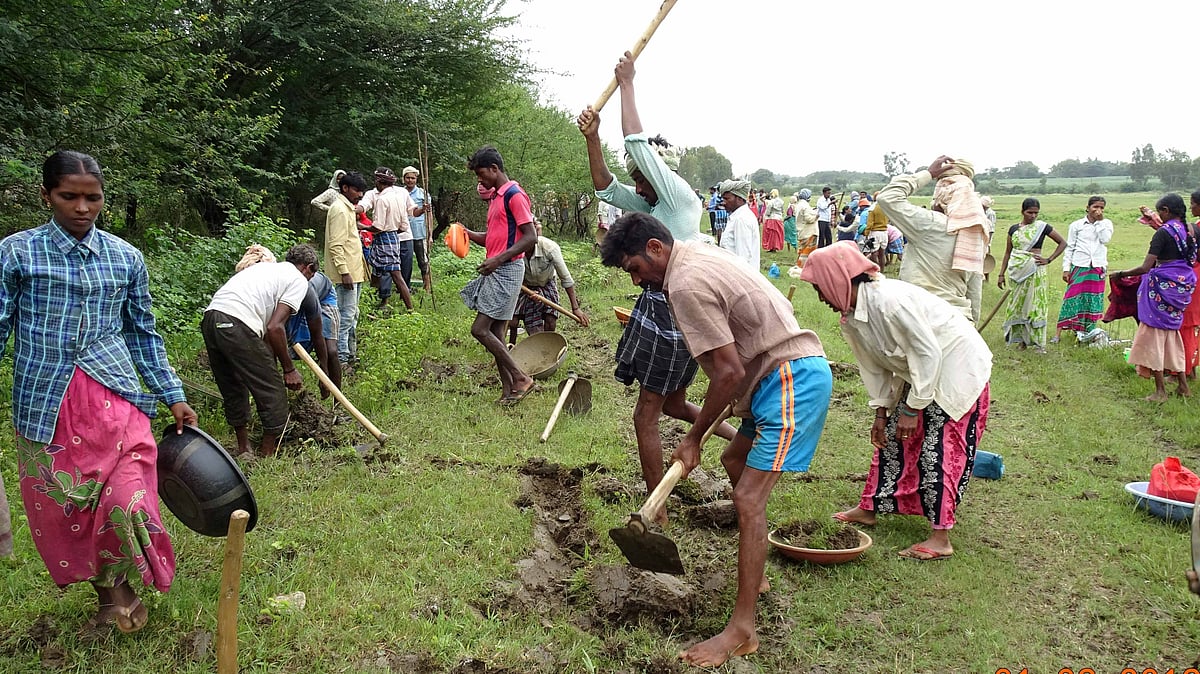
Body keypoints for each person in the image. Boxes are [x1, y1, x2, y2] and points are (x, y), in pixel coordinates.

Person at [600, 212, 832, 668]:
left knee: (748, 498)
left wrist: (692, 437)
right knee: (734, 462)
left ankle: (742, 631)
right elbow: (733, 369)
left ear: (654, 248)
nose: (635, 280)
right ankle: (756, 565)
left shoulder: (684, 284)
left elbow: (727, 372)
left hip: (791, 379)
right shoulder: (694, 254)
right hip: (771, 377)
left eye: (633, 269)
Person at [0, 150, 197, 632]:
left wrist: (171, 392)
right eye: (69, 196)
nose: (82, 208)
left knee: (126, 499)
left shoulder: (125, 257)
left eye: (93, 198)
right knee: (72, 505)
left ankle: (129, 587)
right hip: (46, 403)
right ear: (47, 195)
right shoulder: (17, 253)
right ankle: (115, 597)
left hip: (115, 399)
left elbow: (143, 333)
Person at [577, 51, 735, 498]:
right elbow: (606, 186)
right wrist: (593, 138)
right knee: (671, 404)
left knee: (645, 414)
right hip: (661, 306)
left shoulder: (677, 197)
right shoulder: (650, 208)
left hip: (679, 308)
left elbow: (636, 143)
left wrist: (627, 83)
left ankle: (655, 508)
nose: (638, 186)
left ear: (656, 175)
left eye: (642, 179)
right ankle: (744, 436)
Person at [799, 241, 991, 562]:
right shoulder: (852, 316)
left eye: (821, 288)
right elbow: (873, 366)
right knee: (891, 439)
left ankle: (940, 536)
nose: (821, 298)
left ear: (838, 279)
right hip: (919, 370)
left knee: (938, 447)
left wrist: (913, 408)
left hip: (956, 367)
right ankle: (871, 507)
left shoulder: (890, 303)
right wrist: (881, 411)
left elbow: (929, 353)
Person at [203, 245, 320, 456]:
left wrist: (270, 363)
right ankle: (267, 453)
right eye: (312, 276)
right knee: (273, 389)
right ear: (308, 268)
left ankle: (243, 448)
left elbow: (266, 336)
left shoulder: (265, 270)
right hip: (237, 322)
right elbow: (275, 327)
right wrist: (288, 369)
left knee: (232, 384)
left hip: (212, 318)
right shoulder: (298, 279)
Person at [462, 146, 538, 405]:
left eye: (482, 175)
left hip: (507, 270)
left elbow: (530, 237)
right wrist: (466, 234)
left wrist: (498, 260)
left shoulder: (514, 195)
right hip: (498, 268)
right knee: (496, 331)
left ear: (495, 169)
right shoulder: (496, 197)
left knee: (480, 329)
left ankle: (520, 378)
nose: (480, 181)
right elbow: (495, 238)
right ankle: (509, 391)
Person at [1111, 194, 1198, 401]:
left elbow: (1145, 267)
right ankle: (1183, 386)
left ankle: (1160, 391)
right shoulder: (1190, 230)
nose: (1159, 215)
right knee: (1172, 336)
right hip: (1181, 289)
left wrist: (1121, 274)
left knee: (1154, 338)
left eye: (1160, 211)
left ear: (1166, 210)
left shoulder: (1163, 233)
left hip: (1160, 290)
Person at [876, 155, 983, 321]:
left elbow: (887, 197)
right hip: (959, 322)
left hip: (922, 317)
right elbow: (974, 292)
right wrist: (972, 328)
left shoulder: (931, 224)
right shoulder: (975, 233)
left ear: (941, 194)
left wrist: (928, 173)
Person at [997, 198, 1067, 352]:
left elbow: (1062, 242)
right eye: (1030, 212)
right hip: (1017, 270)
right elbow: (1008, 252)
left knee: (1034, 305)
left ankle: (1037, 343)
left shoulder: (1042, 227)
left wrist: (1048, 259)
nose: (1033, 216)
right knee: (1019, 304)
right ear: (1022, 211)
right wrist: (1001, 274)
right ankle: (1021, 341)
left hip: (1035, 271)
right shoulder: (1013, 229)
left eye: (1036, 213)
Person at [509, 219, 591, 342]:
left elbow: (566, 279)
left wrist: (575, 308)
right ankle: (513, 345)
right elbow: (511, 276)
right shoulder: (512, 249)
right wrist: (528, 292)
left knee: (550, 319)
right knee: (517, 321)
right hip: (524, 286)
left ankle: (548, 346)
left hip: (547, 283)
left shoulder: (550, 248)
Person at [324, 171, 371, 369]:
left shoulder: (348, 208)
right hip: (346, 274)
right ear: (344, 188)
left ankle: (350, 354)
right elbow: (336, 245)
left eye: (362, 191)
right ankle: (341, 359)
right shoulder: (339, 210)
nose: (360, 195)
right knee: (344, 316)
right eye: (356, 190)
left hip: (354, 270)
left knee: (352, 315)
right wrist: (344, 272)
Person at [1054, 196, 1113, 343]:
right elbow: (1070, 247)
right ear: (1087, 207)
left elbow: (1105, 239)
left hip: (1097, 266)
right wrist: (1066, 269)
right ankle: (1058, 334)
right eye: (1095, 207)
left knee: (1092, 300)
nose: (1098, 210)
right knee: (1071, 297)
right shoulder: (1077, 225)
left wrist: (1099, 222)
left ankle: (1087, 332)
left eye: (1101, 208)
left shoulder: (1106, 224)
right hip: (1080, 265)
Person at [360, 167, 415, 310]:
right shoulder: (399, 196)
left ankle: (410, 310)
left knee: (396, 274)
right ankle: (372, 300)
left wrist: (362, 226)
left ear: (379, 181)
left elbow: (377, 227)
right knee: (376, 269)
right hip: (394, 236)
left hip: (384, 237)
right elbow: (403, 226)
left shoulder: (382, 199)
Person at [286, 269, 340, 396]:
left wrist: (324, 375)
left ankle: (337, 404)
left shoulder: (307, 290)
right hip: (296, 303)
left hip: (323, 298)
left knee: (331, 351)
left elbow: (317, 335)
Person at [401, 166, 433, 291]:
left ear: (416, 179)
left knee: (423, 261)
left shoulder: (422, 194)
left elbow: (429, 214)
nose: (410, 180)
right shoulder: (399, 193)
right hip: (403, 233)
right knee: (404, 262)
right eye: (408, 178)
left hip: (419, 233)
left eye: (412, 178)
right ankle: (403, 288)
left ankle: (427, 288)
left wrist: (430, 235)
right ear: (403, 179)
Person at [717, 179, 761, 270]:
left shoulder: (741, 219)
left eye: (727, 199)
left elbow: (743, 257)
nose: (723, 202)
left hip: (740, 276)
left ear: (739, 199)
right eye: (722, 199)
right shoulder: (737, 216)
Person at [863, 191, 889, 268]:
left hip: (875, 232)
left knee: (874, 253)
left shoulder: (872, 208)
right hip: (884, 232)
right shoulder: (886, 208)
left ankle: (876, 269)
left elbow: (870, 224)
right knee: (882, 254)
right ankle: (882, 271)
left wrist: (866, 233)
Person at [794, 188, 818, 266]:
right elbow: (808, 219)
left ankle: (800, 266)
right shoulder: (805, 205)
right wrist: (816, 216)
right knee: (807, 252)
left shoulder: (799, 204)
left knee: (802, 250)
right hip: (808, 232)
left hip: (801, 231)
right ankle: (804, 267)